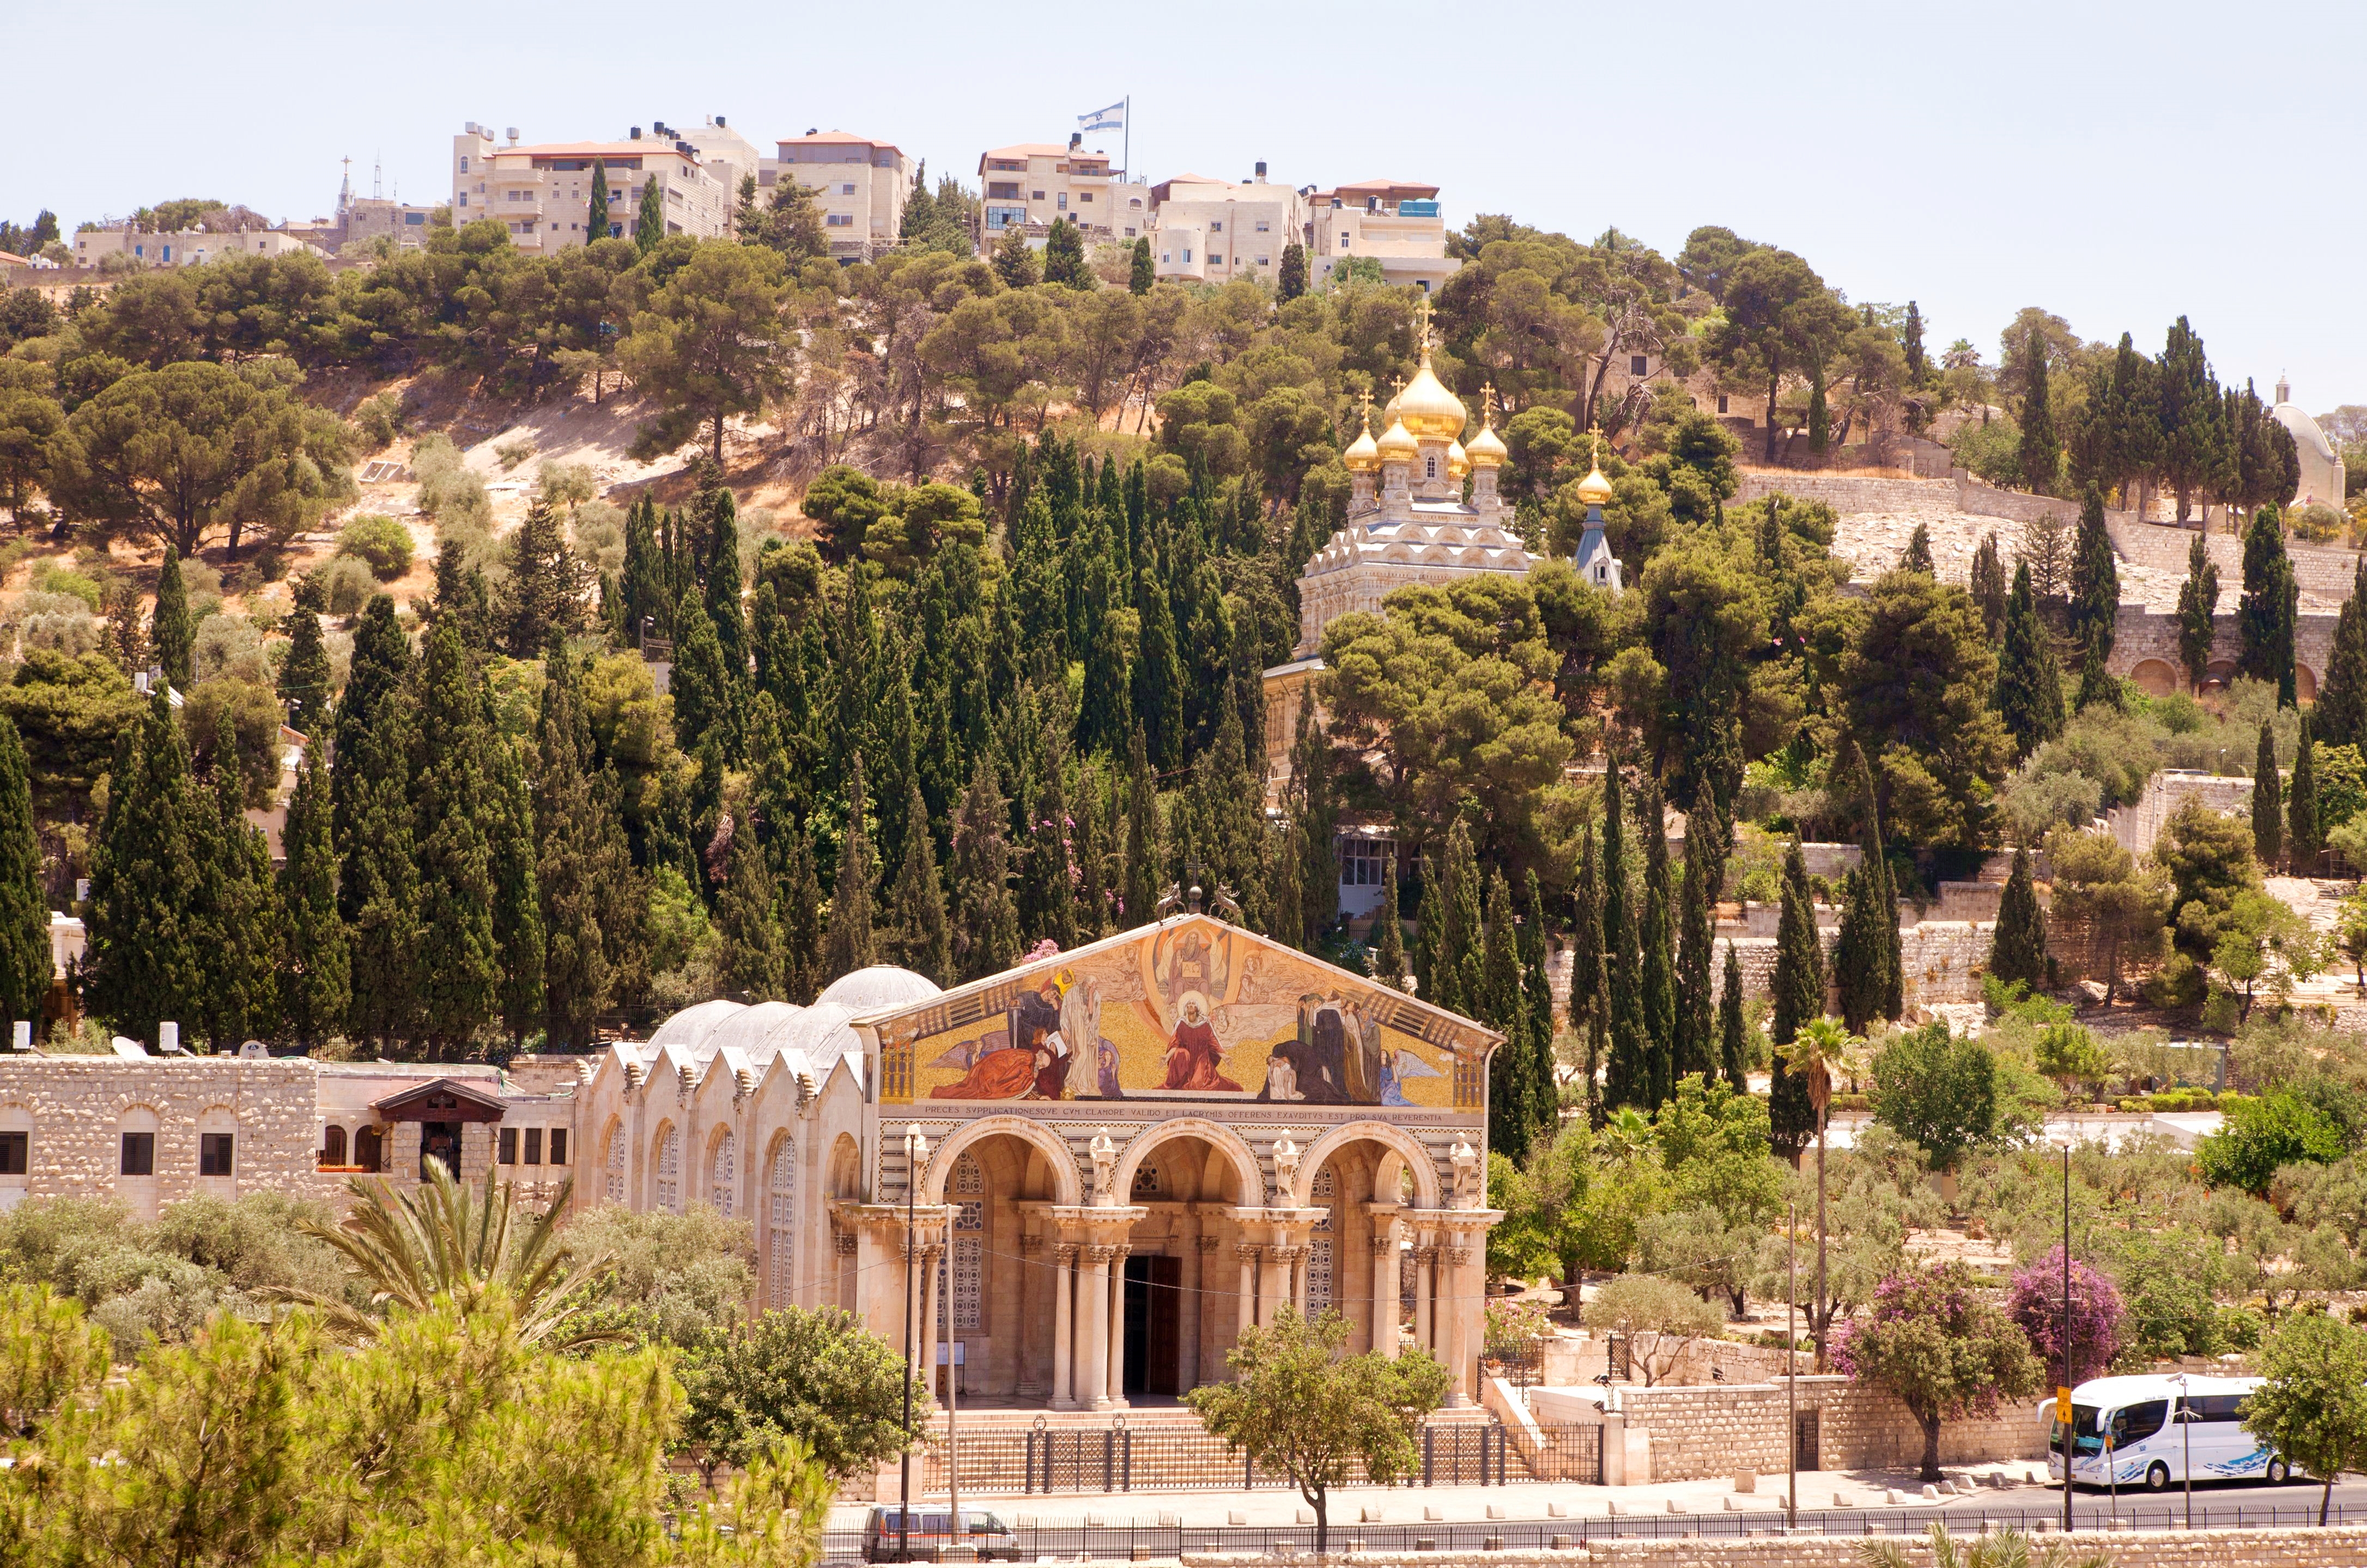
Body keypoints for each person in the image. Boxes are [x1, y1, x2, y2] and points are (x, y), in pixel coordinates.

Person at [1161, 993, 1241, 1091]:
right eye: (1189, 1004)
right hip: (1186, 1061)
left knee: (1198, 1085)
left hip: (1201, 1059)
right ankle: (1181, 1080)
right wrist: (1167, 1056)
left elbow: (1214, 1043)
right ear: (1186, 1008)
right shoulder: (1181, 1024)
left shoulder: (1205, 1025)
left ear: (1198, 1008)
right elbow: (1175, 1043)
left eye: (1193, 1004)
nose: (1191, 1006)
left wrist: (1225, 1057)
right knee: (1181, 1052)